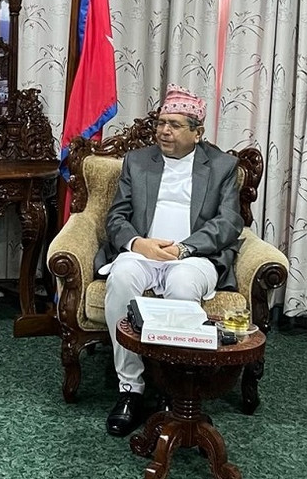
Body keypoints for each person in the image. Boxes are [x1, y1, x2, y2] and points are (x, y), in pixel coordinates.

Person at [95, 84, 244, 437]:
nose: (164, 130)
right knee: (122, 277)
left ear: (197, 133)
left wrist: (184, 249)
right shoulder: (137, 160)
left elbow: (228, 222)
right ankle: (130, 388)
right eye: (162, 122)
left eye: (175, 125)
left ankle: (171, 388)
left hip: (194, 257)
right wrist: (137, 243)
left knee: (181, 284)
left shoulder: (223, 166)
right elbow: (117, 216)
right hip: (144, 253)